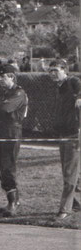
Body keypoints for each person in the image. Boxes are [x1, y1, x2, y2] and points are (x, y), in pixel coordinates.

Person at [0, 64, 28, 217]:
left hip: (11, 131)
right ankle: (12, 199)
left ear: (11, 76)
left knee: (8, 166)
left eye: (3, 76)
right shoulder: (2, 93)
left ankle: (13, 202)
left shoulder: (19, 93)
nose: (0, 79)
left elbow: (6, 109)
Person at [48, 59, 81, 220]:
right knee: (70, 172)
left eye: (56, 70)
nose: (53, 74)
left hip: (74, 133)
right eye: (50, 71)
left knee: (69, 172)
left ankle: (65, 209)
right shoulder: (58, 88)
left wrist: (80, 97)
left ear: (65, 70)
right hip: (63, 133)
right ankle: (76, 202)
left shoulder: (72, 82)